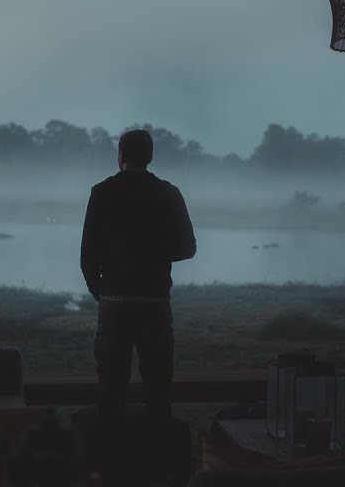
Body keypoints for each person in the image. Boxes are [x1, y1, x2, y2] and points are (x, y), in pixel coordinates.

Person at [80, 129, 196, 486]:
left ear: (120, 156)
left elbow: (87, 258)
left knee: (111, 390)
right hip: (155, 303)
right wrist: (159, 252)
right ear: (150, 157)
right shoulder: (169, 194)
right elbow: (187, 248)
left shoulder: (102, 193)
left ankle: (109, 469)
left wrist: (104, 294)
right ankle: (158, 470)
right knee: (158, 389)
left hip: (115, 304)